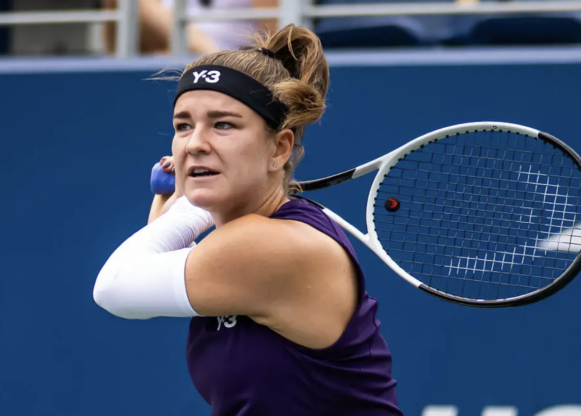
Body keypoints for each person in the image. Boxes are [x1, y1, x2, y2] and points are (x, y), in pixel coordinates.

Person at [92, 24, 402, 416]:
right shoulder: (245, 242)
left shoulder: (274, 246)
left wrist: (189, 207)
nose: (195, 144)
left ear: (279, 147)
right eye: (183, 125)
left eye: (223, 125)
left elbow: (115, 287)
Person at [101, 0, 279, 55]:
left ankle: (214, 59)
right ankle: (212, 59)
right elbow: (116, 47)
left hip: (243, 66)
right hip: (171, 66)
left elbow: (279, 39)